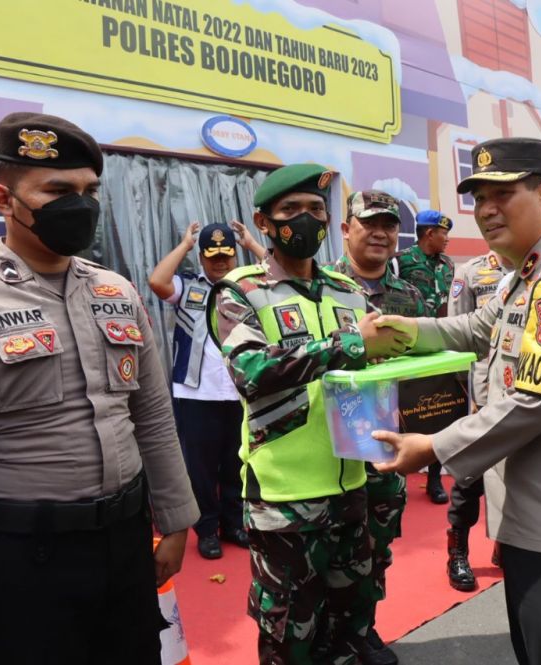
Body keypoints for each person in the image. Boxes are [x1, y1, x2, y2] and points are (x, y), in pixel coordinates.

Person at [372, 137, 541, 665]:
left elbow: (538, 401)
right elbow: (478, 327)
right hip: (538, 520)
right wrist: (405, 331)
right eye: (479, 198)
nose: (486, 210)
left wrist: (431, 447)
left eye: (502, 193)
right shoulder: (527, 272)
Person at [0, 112, 199, 665]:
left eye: (88, 191)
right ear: (3, 199)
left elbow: (153, 415)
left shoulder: (116, 290)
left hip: (126, 540)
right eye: (58, 191)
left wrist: (177, 519)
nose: (79, 205)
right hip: (24, 555)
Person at [208, 164, 408, 665]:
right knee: (289, 630)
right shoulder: (240, 291)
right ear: (264, 222)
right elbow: (252, 370)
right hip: (284, 498)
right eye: (291, 211)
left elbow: (375, 372)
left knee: (350, 618)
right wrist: (349, 343)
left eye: (316, 210)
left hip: (353, 486)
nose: (306, 221)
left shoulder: (348, 290)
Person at [330, 189, 426, 665]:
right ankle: (333, 635)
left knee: (379, 544)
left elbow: (425, 369)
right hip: (336, 446)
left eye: (389, 225)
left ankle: (362, 628)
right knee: (334, 548)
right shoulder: (324, 287)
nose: (381, 233)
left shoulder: (408, 295)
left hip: (390, 444)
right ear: (346, 228)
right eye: (370, 223)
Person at [148, 221, 266, 559]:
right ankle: (206, 529)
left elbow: (277, 276)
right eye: (212, 256)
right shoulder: (188, 287)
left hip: (239, 392)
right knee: (199, 469)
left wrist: (253, 244)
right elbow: (157, 281)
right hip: (195, 395)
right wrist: (184, 245)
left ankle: (233, 524)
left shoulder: (248, 287)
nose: (220, 262)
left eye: (227, 255)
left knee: (235, 464)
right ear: (201, 257)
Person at [444, 248, 513, 591]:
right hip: (483, 391)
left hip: (519, 390)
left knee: (516, 472)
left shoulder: (540, 268)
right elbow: (459, 336)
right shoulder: (470, 272)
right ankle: (458, 551)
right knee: (469, 475)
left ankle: (506, 542)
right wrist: (465, 396)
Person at [393, 209, 455, 503]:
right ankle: (397, 475)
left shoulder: (447, 264)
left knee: (439, 411)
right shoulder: (400, 261)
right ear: (429, 233)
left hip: (438, 347)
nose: (447, 239)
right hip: (408, 347)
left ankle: (433, 478)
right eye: (444, 233)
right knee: (405, 410)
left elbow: (449, 304)